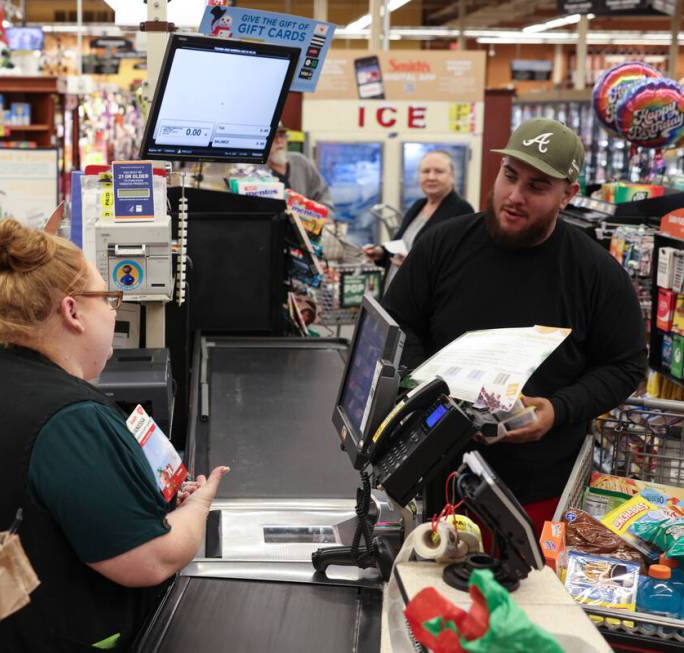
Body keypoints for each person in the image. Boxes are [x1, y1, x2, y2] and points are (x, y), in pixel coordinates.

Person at [0, 219, 229, 652]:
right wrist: (199, 506)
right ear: (71, 311)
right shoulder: (70, 418)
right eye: (109, 299)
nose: (114, 311)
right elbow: (148, 560)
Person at [381, 118, 646, 533]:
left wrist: (558, 409)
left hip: (537, 490)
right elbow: (397, 325)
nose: (514, 196)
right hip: (433, 473)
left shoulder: (596, 273)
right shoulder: (443, 245)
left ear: (567, 195)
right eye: (509, 176)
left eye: (538, 186)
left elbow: (625, 365)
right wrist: (425, 389)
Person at [363, 150, 473, 272]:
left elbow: (458, 262)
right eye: (426, 171)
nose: (431, 177)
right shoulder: (418, 205)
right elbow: (400, 244)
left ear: (452, 176)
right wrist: (380, 253)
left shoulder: (462, 210)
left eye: (439, 171)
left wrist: (415, 265)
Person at [267, 123, 335, 216]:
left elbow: (323, 194)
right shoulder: (257, 172)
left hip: (307, 226)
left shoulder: (300, 162)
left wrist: (325, 216)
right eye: (273, 137)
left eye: (282, 136)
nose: (279, 141)